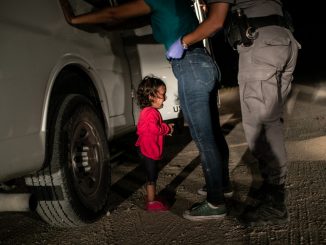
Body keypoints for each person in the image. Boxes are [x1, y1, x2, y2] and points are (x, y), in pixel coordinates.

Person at [59, 0, 232, 221]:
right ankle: (222, 185)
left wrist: (73, 19)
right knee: (213, 134)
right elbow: (122, 22)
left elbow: (113, 13)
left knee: (203, 137)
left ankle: (216, 202)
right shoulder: (170, 5)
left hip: (189, 65)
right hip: (203, 63)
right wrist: (105, 25)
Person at [167, 0, 301, 226]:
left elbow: (215, 21)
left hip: (260, 45)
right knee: (272, 122)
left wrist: (183, 41)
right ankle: (272, 190)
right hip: (285, 40)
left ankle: (275, 203)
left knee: (259, 127)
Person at [135, 75, 174, 212]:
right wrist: (166, 128)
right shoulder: (150, 112)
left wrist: (164, 128)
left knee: (151, 175)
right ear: (151, 97)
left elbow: (150, 128)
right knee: (151, 177)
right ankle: (151, 202)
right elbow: (153, 129)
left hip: (145, 149)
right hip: (148, 151)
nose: (164, 98)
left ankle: (152, 197)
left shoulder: (148, 112)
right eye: (162, 95)